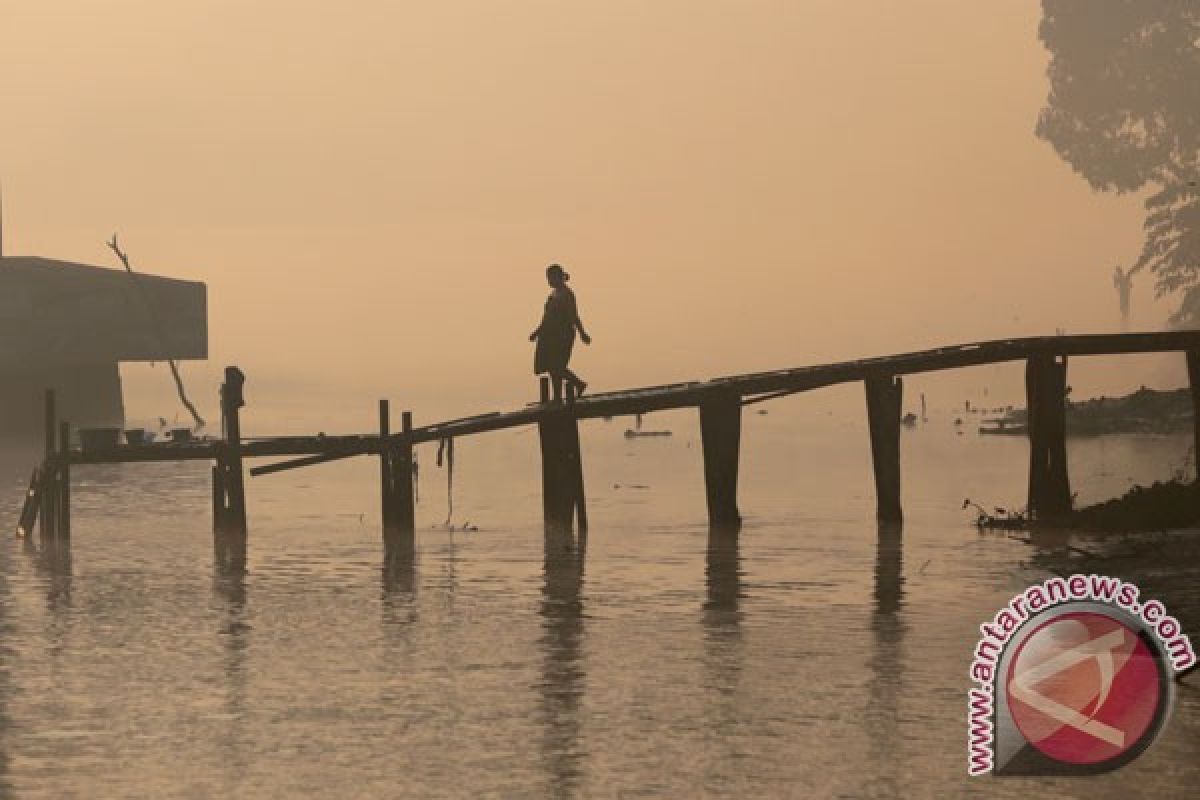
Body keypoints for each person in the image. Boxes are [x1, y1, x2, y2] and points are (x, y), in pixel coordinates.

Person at [530, 263, 591, 401]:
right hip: (549, 336)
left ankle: (579, 384)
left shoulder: (567, 294)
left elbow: (574, 315)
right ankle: (557, 396)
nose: (549, 281)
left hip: (563, 335)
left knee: (558, 366)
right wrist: (537, 332)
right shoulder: (553, 294)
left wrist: (582, 333)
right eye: (548, 278)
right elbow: (546, 317)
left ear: (559, 277)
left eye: (551, 278)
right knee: (551, 367)